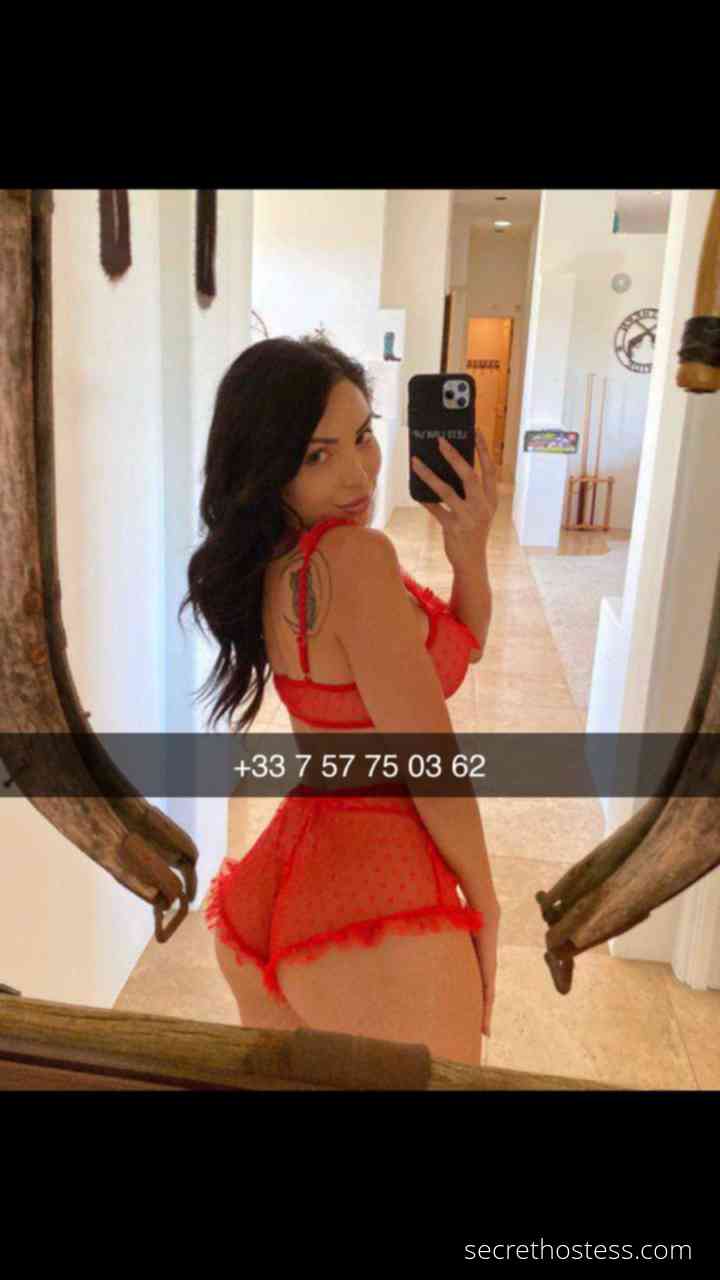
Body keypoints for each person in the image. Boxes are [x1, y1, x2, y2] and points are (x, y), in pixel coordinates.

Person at [179, 334, 501, 1067]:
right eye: (317, 455)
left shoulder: (282, 560)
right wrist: (485, 903)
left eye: (362, 436)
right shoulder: (355, 560)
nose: (358, 473)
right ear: (268, 470)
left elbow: (460, 652)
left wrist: (469, 554)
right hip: (375, 894)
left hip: (289, 877)